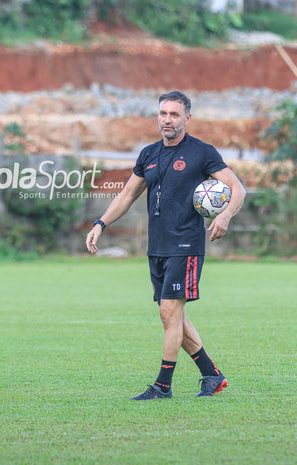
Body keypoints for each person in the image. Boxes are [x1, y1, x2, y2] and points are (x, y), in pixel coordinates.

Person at [85, 91, 246, 400]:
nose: (167, 119)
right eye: (163, 113)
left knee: (170, 313)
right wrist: (100, 223)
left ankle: (162, 386)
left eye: (174, 114)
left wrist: (225, 216)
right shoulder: (148, 154)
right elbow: (127, 194)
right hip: (157, 246)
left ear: (187, 118)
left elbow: (236, 188)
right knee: (173, 316)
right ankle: (211, 376)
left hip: (186, 244)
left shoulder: (202, 152)